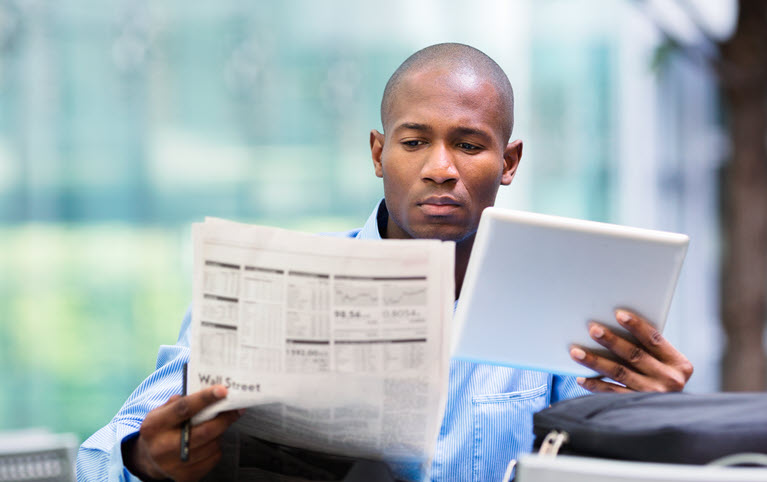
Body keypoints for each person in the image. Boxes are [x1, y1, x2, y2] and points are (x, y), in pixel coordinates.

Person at [77, 43, 694, 481]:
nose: (440, 167)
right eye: (414, 140)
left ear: (509, 163)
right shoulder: (274, 283)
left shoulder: (571, 308)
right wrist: (143, 461)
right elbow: (96, 460)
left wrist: (662, 430)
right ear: (379, 152)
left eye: (470, 144)